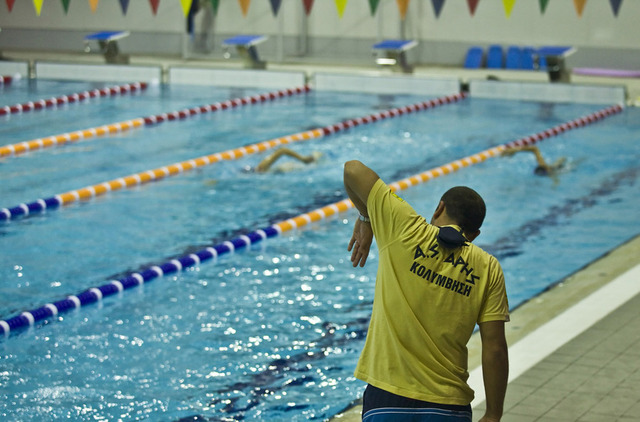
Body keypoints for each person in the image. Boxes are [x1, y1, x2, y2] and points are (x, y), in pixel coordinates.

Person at [343, 160, 509, 422]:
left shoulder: (405, 228)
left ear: (439, 208)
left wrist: (366, 218)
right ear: (474, 234)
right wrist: (493, 414)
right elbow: (495, 348)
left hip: (387, 399)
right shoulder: (488, 268)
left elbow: (352, 169)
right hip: (449, 406)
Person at [501, 145, 566, 177]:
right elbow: (534, 149)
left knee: (560, 160)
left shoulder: (547, 168)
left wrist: (514, 150)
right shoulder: (544, 166)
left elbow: (534, 149)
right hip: (555, 169)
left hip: (560, 168)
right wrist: (515, 150)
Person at [254, 147, 322, 173]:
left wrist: (303, 159)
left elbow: (283, 150)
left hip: (289, 168)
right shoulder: (261, 168)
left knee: (316, 160)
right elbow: (282, 150)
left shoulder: (261, 168)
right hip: (288, 168)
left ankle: (316, 155)